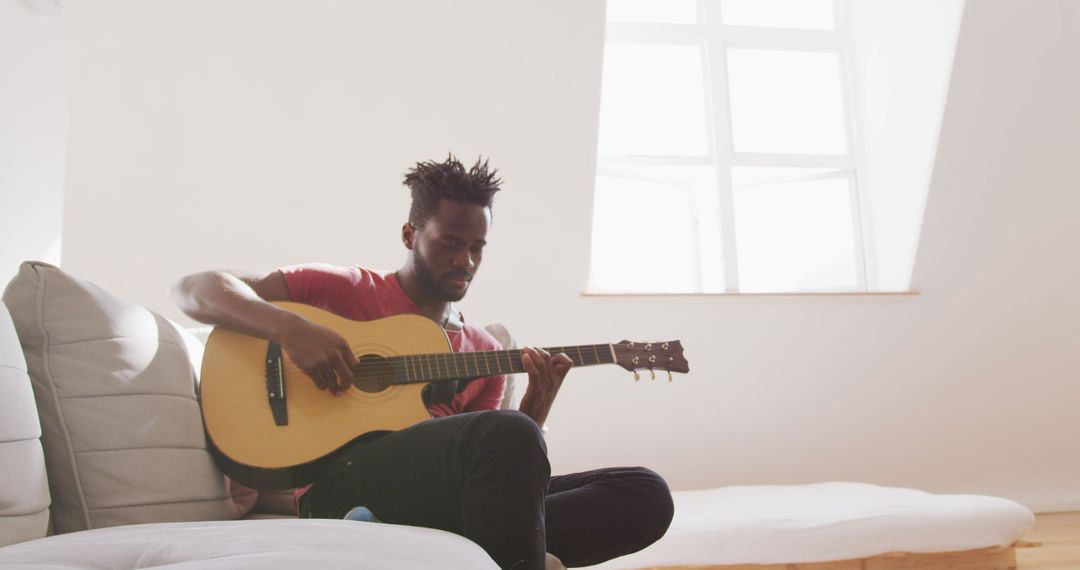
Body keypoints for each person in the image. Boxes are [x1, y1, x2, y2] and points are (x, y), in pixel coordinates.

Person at [171, 155, 673, 570]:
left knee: (644, 491)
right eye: (450, 243)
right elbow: (193, 289)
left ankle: (484, 550)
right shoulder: (344, 289)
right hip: (338, 486)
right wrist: (292, 329)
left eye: (477, 248)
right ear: (411, 234)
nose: (466, 261)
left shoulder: (481, 351)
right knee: (507, 434)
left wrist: (533, 416)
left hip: (441, 501)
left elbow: (495, 468)